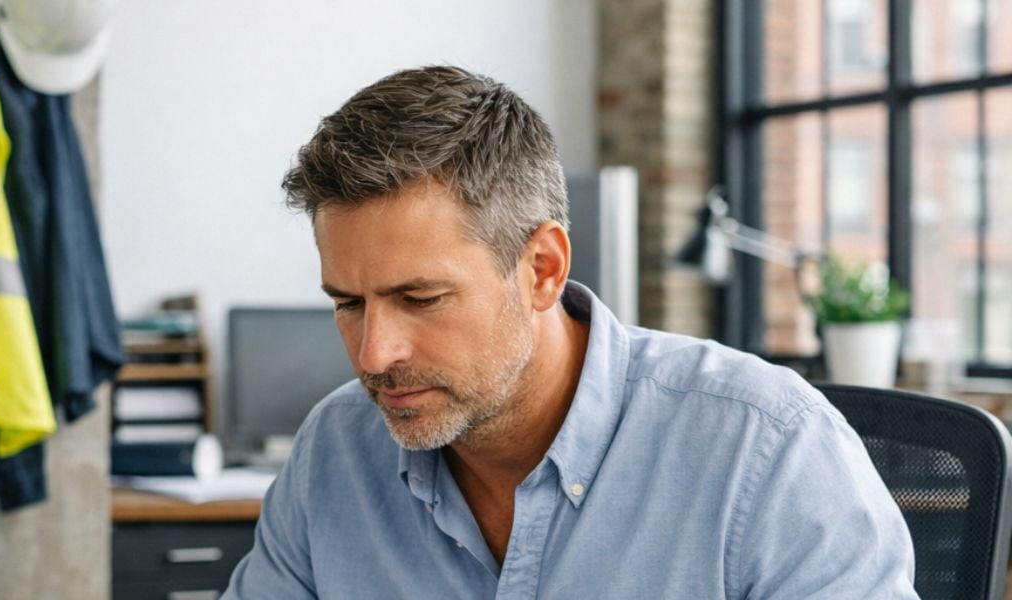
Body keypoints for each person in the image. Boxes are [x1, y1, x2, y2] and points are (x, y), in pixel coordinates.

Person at [224, 66, 917, 599]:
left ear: (543, 270)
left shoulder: (767, 449)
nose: (375, 354)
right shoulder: (335, 452)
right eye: (348, 303)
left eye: (421, 298)